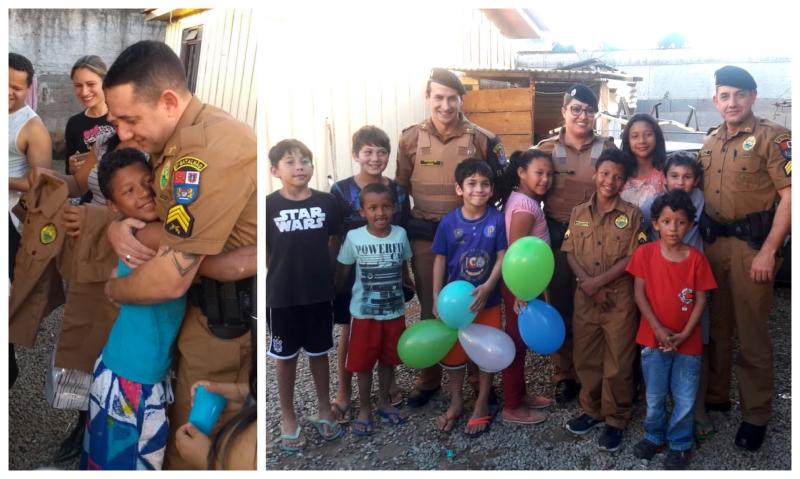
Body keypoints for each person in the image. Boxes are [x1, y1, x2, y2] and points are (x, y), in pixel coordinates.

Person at [101, 41, 256, 469]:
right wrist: (120, 227)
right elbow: (171, 224)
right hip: (195, 318)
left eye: (129, 120)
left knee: (200, 450)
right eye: (117, 122)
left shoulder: (213, 145)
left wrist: (114, 289)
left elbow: (171, 275)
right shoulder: (174, 139)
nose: (123, 135)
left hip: (225, 330)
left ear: (168, 101)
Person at [80, 148, 255, 470]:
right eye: (128, 190)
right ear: (113, 205)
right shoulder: (152, 236)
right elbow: (225, 267)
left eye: (148, 182)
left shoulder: (140, 228)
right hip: (133, 376)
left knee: (111, 458)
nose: (144, 193)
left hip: (131, 367)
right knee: (129, 463)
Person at [396, 68, 507, 408]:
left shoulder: (482, 139)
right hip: (428, 235)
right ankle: (428, 378)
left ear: (461, 100)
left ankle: (476, 379)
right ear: (428, 98)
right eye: (438, 97)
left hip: (474, 236)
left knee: (473, 303)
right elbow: (400, 189)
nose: (445, 105)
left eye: (452, 98)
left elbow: (499, 183)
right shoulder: (410, 139)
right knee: (433, 307)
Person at [699, 65, 791, 451]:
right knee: (717, 328)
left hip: (753, 249)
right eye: (724, 95)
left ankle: (755, 414)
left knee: (752, 334)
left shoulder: (774, 138)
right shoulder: (710, 142)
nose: (732, 102)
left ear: (753, 97)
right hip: (714, 246)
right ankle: (717, 395)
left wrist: (770, 250)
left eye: (739, 94)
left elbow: (791, 194)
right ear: (715, 101)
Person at [533, 84, 617, 407]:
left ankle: (590, 370)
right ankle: (564, 373)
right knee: (560, 306)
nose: (583, 115)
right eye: (576, 109)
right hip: (558, 236)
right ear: (564, 112)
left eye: (589, 110)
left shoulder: (608, 148)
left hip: (597, 239)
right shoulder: (546, 149)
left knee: (595, 306)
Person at [627, 189, 717, 469]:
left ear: (690, 225)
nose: (673, 228)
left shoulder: (697, 259)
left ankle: (679, 443)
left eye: (680, 222)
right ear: (655, 224)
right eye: (666, 221)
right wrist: (658, 328)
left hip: (687, 344)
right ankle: (654, 436)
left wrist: (686, 333)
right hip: (653, 340)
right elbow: (639, 294)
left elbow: (701, 300)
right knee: (653, 396)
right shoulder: (644, 253)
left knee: (685, 397)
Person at [561, 149, 643, 452]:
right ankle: (592, 410)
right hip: (586, 298)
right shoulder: (578, 212)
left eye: (618, 177)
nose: (611, 180)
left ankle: (616, 419)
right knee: (587, 357)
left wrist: (599, 283)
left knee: (618, 362)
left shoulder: (632, 214)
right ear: (596, 174)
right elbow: (570, 251)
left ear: (624, 182)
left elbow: (633, 257)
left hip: (618, 299)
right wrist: (589, 285)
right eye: (606, 173)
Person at [266, 139, 344, 452]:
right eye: (290, 161)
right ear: (274, 170)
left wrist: (329, 272)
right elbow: (266, 250)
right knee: (285, 359)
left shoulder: (327, 202)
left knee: (319, 352)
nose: (299, 166)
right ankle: (288, 416)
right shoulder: (268, 205)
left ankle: (324, 409)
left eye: (305, 160)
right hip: (282, 295)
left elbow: (336, 238)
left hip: (318, 292)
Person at [329, 125, 410, 423]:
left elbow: (403, 231)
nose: (375, 158)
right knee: (350, 332)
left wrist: (405, 274)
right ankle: (343, 392)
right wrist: (334, 276)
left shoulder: (398, 191)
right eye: (368, 152)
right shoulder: (340, 189)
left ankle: (389, 387)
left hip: (387, 266)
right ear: (356, 155)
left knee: (388, 330)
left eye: (381, 152)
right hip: (351, 267)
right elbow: (334, 234)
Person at [640, 152, 715, 442]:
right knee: (656, 371)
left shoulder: (703, 199)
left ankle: (696, 412)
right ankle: (654, 431)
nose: (680, 182)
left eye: (687, 177)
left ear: (696, 180)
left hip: (693, 284)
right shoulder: (653, 205)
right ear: (665, 177)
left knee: (697, 351)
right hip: (660, 286)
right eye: (674, 176)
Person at [432, 159, 507, 436]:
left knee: (486, 353)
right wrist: (436, 295)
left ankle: (482, 403)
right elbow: (440, 259)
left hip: (485, 302)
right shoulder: (449, 221)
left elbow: (502, 257)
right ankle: (456, 401)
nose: (479, 189)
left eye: (485, 184)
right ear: (459, 188)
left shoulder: (497, 220)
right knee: (455, 356)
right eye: (472, 184)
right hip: (454, 307)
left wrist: (488, 286)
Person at [335, 182, 413, 436]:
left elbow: (404, 266)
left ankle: (383, 403)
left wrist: (408, 283)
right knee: (364, 364)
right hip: (364, 314)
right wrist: (334, 295)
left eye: (386, 207)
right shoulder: (354, 237)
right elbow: (343, 271)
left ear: (394, 209)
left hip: (394, 312)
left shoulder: (400, 234)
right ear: (362, 212)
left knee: (389, 360)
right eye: (373, 208)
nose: (380, 213)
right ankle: (365, 408)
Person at [494, 149, 555, 424]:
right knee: (517, 342)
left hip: (526, 285)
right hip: (520, 286)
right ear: (521, 173)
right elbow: (515, 252)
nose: (545, 179)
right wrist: (519, 291)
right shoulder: (525, 207)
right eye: (539, 173)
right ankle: (512, 405)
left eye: (549, 174)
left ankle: (520, 394)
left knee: (521, 341)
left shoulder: (523, 200)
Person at [64, 55, 115, 205]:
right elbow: (70, 170)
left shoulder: (121, 120)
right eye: (78, 85)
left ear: (104, 82)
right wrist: (73, 167)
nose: (84, 92)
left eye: (91, 84)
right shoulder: (74, 123)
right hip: (89, 200)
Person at [620, 114, 667, 210]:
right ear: (628, 141)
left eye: (648, 134)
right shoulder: (619, 173)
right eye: (635, 136)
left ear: (657, 137)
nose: (642, 141)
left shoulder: (668, 175)